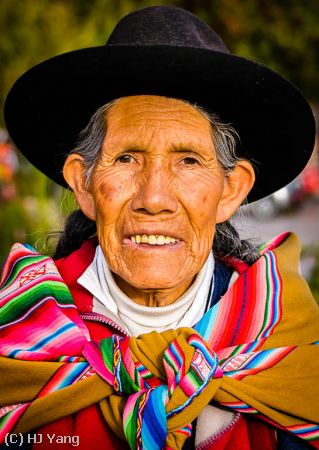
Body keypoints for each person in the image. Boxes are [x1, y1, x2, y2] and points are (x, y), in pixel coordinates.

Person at [1, 6, 319, 450]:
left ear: (231, 190)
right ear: (85, 185)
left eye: (188, 160)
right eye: (127, 158)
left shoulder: (283, 340)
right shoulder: (23, 330)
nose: (154, 198)